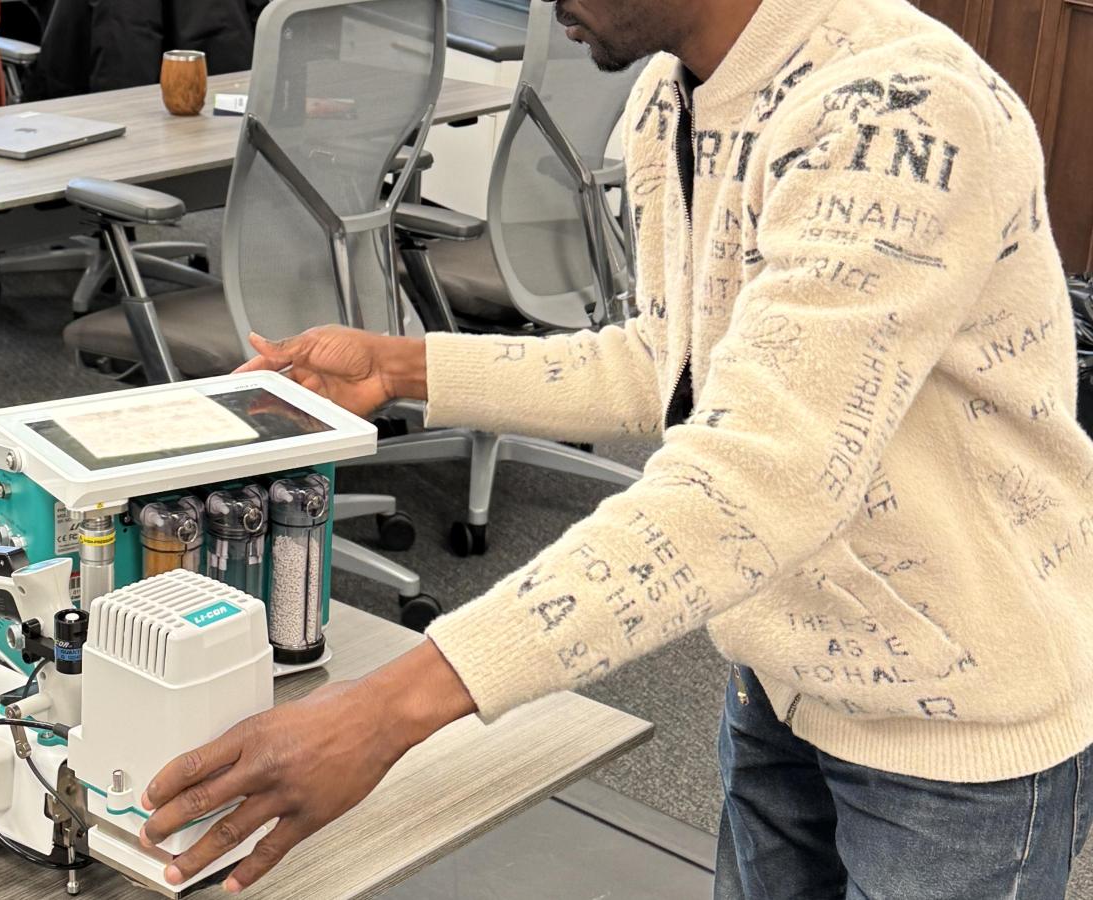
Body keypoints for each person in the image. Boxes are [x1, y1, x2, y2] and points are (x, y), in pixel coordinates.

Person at [133, 0, 1093, 896]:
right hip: (782, 670)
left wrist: (389, 712)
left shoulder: (901, 114)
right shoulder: (671, 95)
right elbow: (670, 362)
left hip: (955, 729)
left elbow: (755, 481)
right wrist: (406, 365)